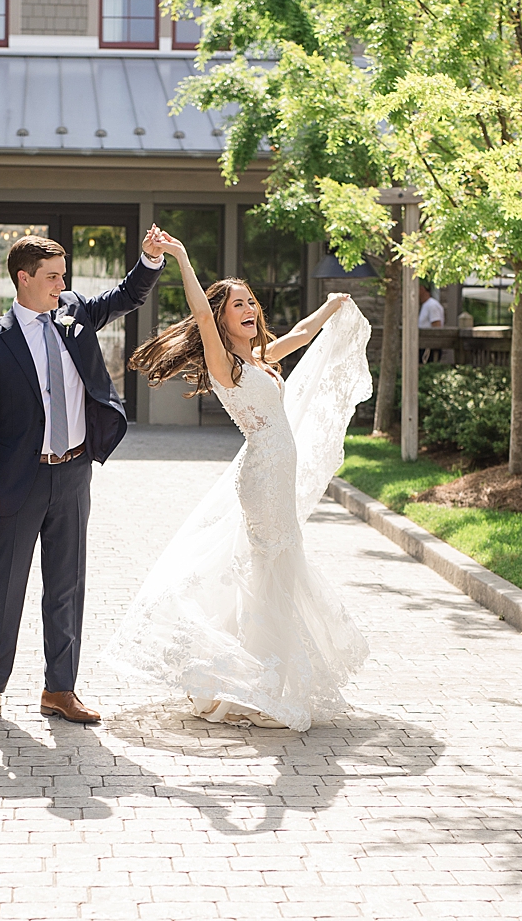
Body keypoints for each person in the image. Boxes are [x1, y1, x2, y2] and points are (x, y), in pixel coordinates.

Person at [104, 225, 372, 731]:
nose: (248, 311)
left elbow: (297, 337)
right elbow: (200, 313)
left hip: (278, 474)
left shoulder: (258, 358)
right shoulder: (224, 363)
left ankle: (260, 676)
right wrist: (182, 254)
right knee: (269, 572)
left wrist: (332, 306)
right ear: (223, 319)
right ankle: (259, 684)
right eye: (237, 306)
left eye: (251, 302)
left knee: (273, 570)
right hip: (262, 477)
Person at [0, 233, 164, 730]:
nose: (63, 284)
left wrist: (150, 260)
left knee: (67, 585)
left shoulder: (72, 312)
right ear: (24, 278)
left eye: (64, 275)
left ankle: (60, 689)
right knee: (6, 585)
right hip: (16, 482)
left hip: (73, 473)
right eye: (53, 276)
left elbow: (125, 296)